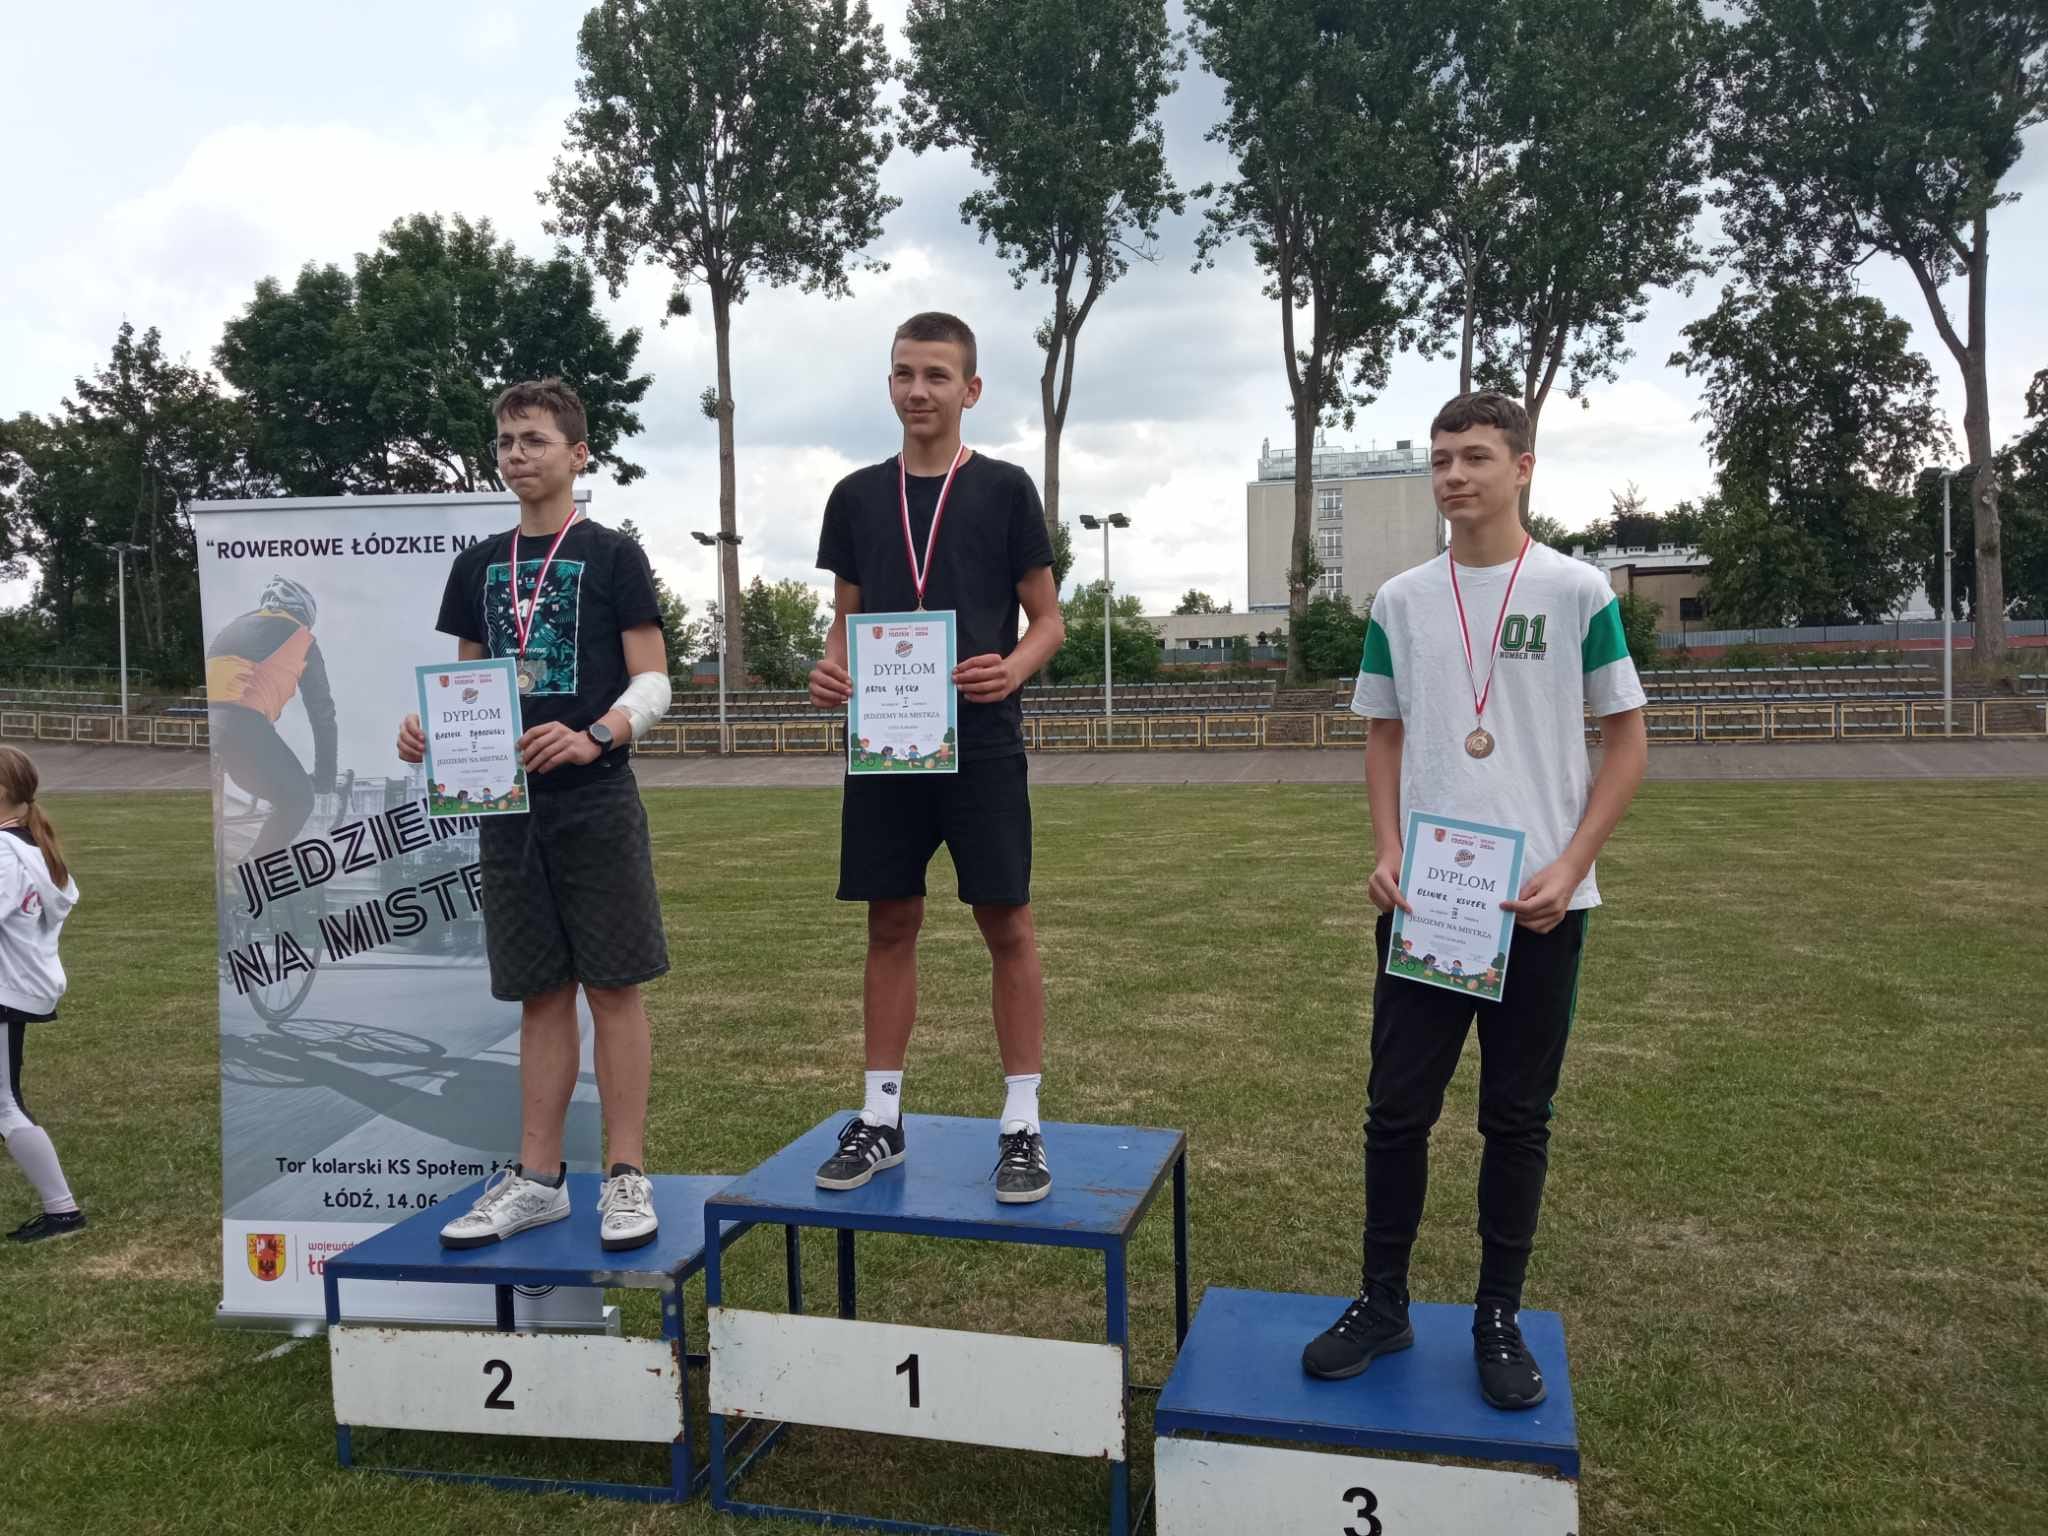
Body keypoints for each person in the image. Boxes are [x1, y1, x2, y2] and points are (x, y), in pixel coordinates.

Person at [1302, 390, 1648, 1409]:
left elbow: (1626, 740)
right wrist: (1385, 850)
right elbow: (1383, 735)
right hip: (1428, 905)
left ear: (1522, 467)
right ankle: (1382, 1302)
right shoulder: (1400, 600)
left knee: (1516, 1119)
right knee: (1394, 1113)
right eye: (1441, 460)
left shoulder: (1577, 590)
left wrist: (1570, 864)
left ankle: (1497, 1315)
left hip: (1538, 907)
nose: (1454, 476)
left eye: (1476, 457)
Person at [397, 378, 673, 1253]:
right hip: (508, 808)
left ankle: (625, 1176)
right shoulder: (477, 565)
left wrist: (596, 735)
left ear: (577, 454)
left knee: (614, 988)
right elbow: (468, 686)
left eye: (536, 440)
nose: (517, 455)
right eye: (507, 442)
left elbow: (655, 680)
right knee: (540, 994)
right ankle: (540, 1180)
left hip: (595, 798)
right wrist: (428, 732)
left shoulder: (613, 554)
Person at [807, 312, 1066, 1203]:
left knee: (1008, 923)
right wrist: (831, 671)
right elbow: (842, 624)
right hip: (887, 743)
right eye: (904, 374)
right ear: (889, 384)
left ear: (970, 389)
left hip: (981, 741)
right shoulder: (855, 496)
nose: (918, 390)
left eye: (936, 376)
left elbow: (1048, 621)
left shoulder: (1004, 489)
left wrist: (1012, 669)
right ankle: (881, 1117)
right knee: (889, 922)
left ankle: (1022, 1124)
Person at [0, 747, 85, 1243]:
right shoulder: (27, 845)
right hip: (17, 986)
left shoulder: (5, 851)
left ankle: (63, 1211)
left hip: (5, 990)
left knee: (6, 1105)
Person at [208, 575, 338, 859]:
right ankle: (249, 874)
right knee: (298, 800)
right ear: (304, 614)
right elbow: (323, 713)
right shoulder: (302, 639)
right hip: (243, 726)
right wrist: (325, 776)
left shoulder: (230, 628)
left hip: (208, 726)